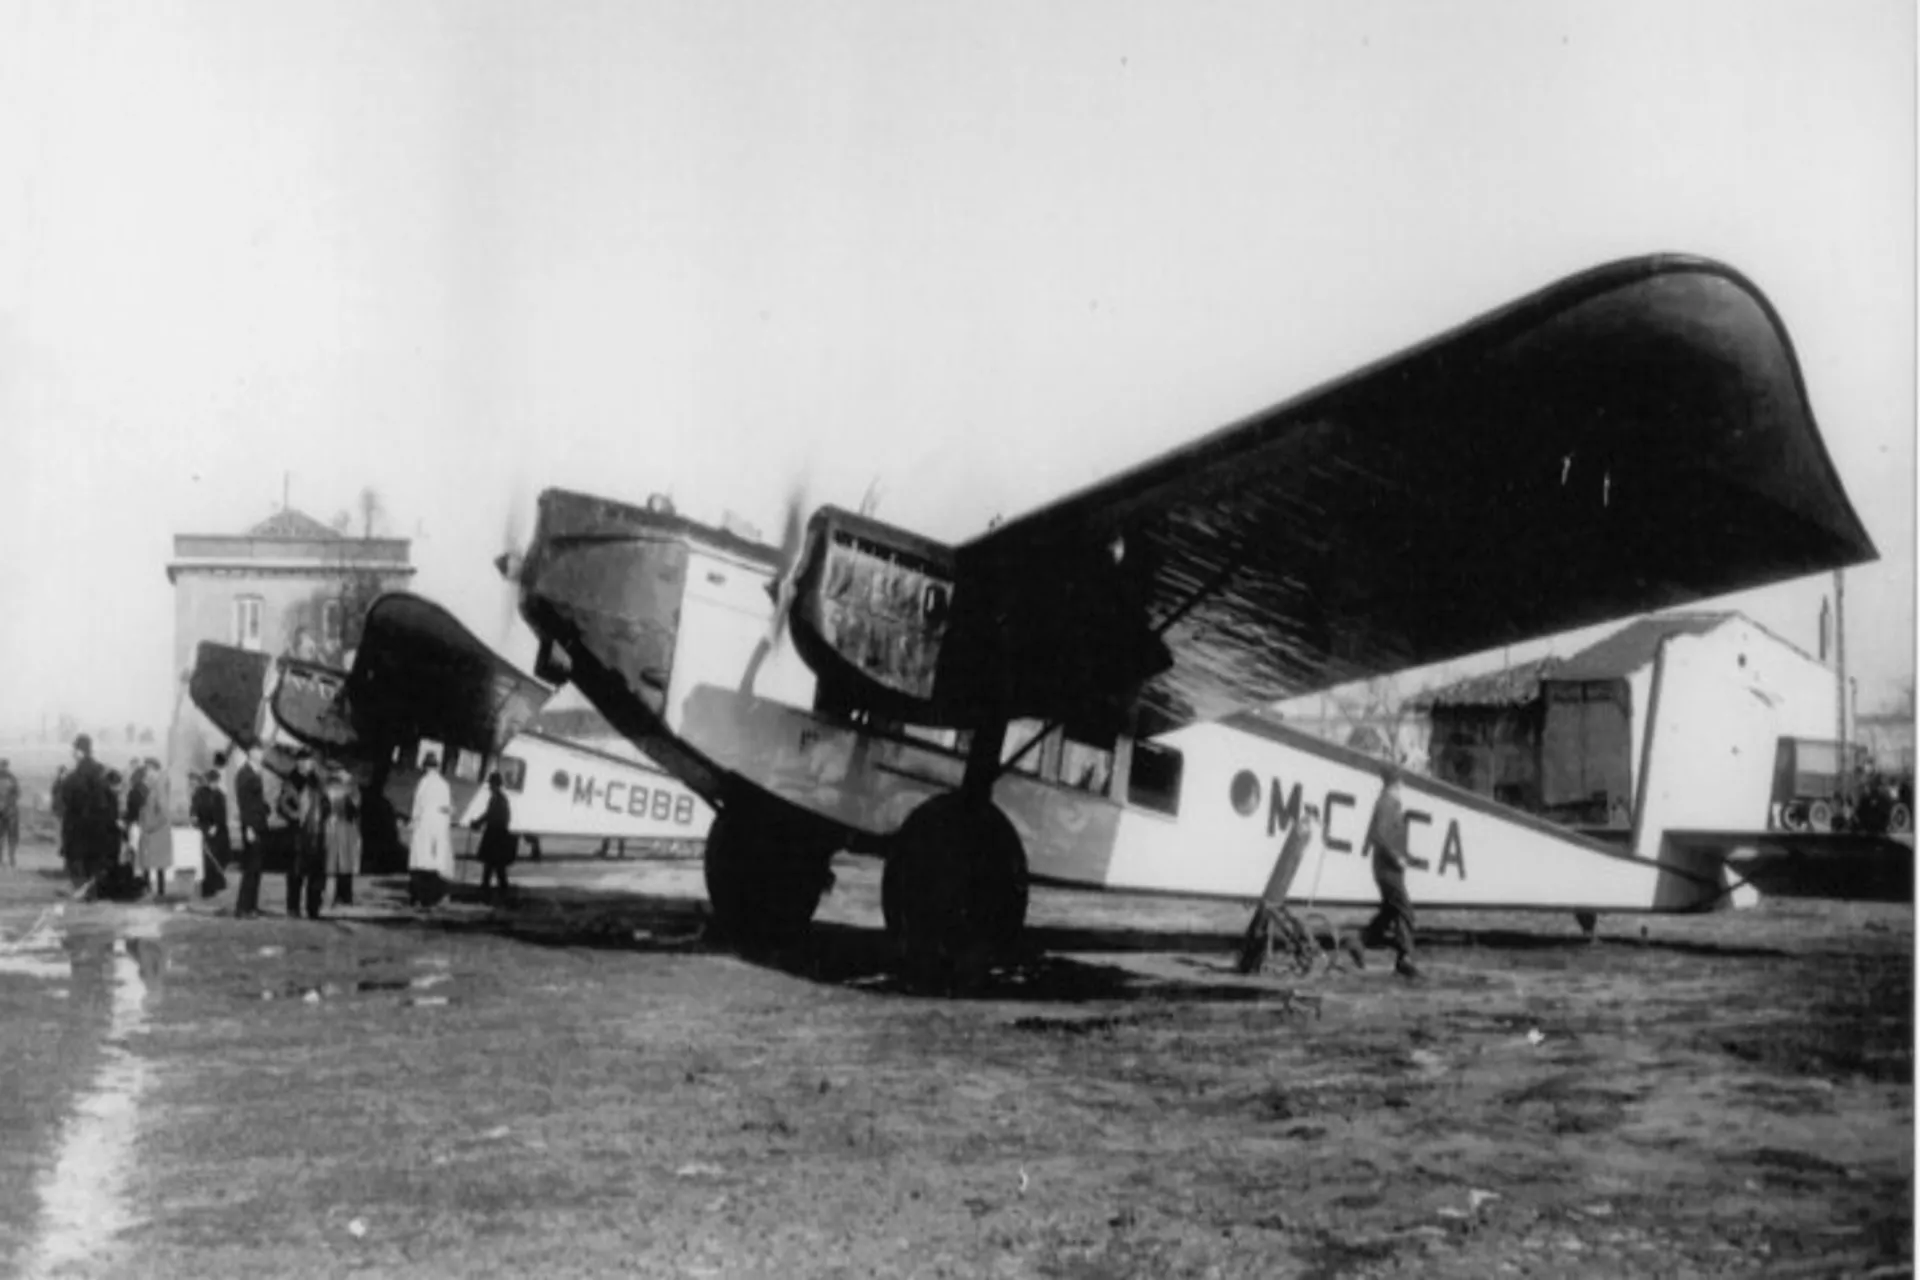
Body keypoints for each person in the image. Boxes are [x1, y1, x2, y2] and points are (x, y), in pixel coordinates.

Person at [1361, 765, 1420, 980]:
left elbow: (1377, 833)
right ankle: (1405, 959)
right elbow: (1380, 834)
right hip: (1388, 869)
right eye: (1400, 781)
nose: (1402, 785)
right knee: (1405, 911)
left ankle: (1359, 942)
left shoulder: (1387, 802)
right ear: (1396, 783)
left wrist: (1406, 856)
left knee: (1390, 912)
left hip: (1388, 868)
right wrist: (1396, 857)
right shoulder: (1388, 803)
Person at [60, 736, 119, 898]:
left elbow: (68, 797)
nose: (73, 753)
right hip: (101, 824)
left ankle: (83, 890)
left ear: (80, 752)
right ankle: (93, 889)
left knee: (80, 859)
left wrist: (63, 783)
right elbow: (111, 796)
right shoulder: (100, 770)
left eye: (75, 750)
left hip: (80, 824)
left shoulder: (76, 775)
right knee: (96, 860)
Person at [407, 754, 454, 908]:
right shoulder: (444, 784)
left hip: (424, 824)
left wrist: (413, 822)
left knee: (421, 862)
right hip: (439, 826)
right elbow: (447, 808)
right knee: (436, 862)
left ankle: (419, 897)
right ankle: (433, 897)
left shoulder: (423, 783)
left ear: (426, 766)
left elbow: (417, 807)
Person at [287, 759, 329, 919]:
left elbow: (327, 806)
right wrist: (295, 816)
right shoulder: (293, 784)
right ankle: (293, 907)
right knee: (296, 875)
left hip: (317, 835)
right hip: (301, 835)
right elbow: (283, 804)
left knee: (316, 875)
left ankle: (313, 908)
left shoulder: (319, 788)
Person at [233, 746, 269, 918]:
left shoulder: (255, 772)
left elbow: (257, 800)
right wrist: (248, 827)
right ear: (252, 754)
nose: (262, 755)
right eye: (259, 752)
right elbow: (244, 803)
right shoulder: (245, 774)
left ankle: (252, 905)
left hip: (258, 824)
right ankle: (243, 907)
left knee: (256, 867)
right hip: (251, 826)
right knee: (251, 867)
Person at [469, 771, 516, 904]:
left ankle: (492, 890)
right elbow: (489, 815)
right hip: (496, 835)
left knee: (493, 865)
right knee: (493, 865)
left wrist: (478, 823)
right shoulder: (498, 798)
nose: (490, 787)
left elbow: (491, 816)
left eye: (491, 784)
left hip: (496, 836)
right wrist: (479, 822)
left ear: (496, 785)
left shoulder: (499, 799)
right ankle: (493, 890)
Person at [136, 760, 175, 899]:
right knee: (149, 862)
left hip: (156, 831)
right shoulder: (155, 785)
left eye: (148, 770)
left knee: (155, 863)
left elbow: (163, 813)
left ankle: (158, 891)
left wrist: (149, 826)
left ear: (154, 770)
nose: (147, 774)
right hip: (153, 829)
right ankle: (152, 889)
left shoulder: (160, 786)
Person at [324, 768, 361, 907]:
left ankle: (341, 895)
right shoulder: (347, 790)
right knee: (339, 863)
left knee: (340, 863)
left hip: (340, 828)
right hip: (341, 829)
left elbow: (355, 807)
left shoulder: (344, 790)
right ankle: (341, 895)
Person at [191, 770, 231, 898]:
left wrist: (217, 826)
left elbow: (222, 814)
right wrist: (195, 819)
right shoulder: (199, 793)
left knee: (218, 857)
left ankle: (217, 884)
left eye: (216, 782)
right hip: (204, 829)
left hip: (218, 831)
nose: (214, 784)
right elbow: (194, 810)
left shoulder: (220, 795)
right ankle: (207, 889)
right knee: (207, 860)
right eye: (212, 781)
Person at [0, 759, 19, 868]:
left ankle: (10, 859)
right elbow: (17, 794)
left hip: (9, 811)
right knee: (9, 837)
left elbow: (17, 794)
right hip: (9, 811)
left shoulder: (12, 779)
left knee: (10, 837)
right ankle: (8, 859)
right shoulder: (12, 778)